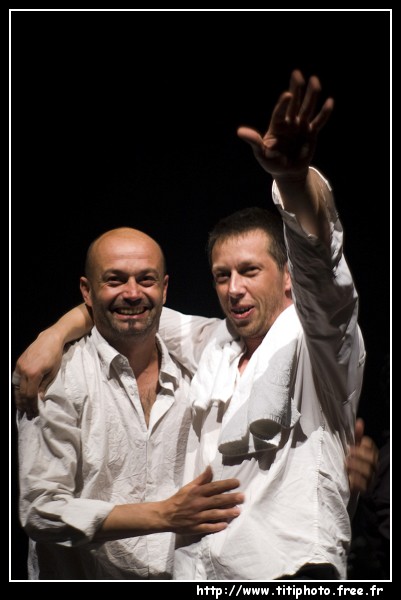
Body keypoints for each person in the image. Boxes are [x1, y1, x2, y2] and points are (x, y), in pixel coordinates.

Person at [14, 70, 376, 579]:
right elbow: (132, 312)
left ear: (288, 278)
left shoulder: (319, 345)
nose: (233, 288)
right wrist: (55, 333)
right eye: (222, 275)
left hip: (293, 572)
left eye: (250, 271)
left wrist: (294, 183)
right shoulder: (212, 346)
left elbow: (325, 278)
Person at [17, 227, 244, 580]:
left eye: (146, 279)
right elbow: (41, 510)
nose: (133, 293)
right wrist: (164, 515)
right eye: (115, 280)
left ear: (164, 288)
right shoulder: (58, 375)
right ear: (86, 291)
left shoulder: (199, 372)